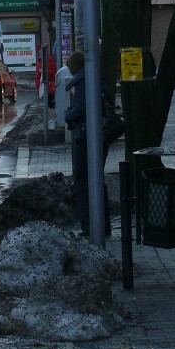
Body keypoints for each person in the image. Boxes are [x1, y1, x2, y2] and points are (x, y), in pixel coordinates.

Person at [64, 50, 111, 237]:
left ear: (75, 66)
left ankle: (89, 225)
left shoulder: (83, 81)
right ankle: (102, 223)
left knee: (83, 180)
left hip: (85, 136)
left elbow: (81, 109)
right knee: (97, 178)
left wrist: (67, 116)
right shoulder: (98, 78)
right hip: (99, 134)